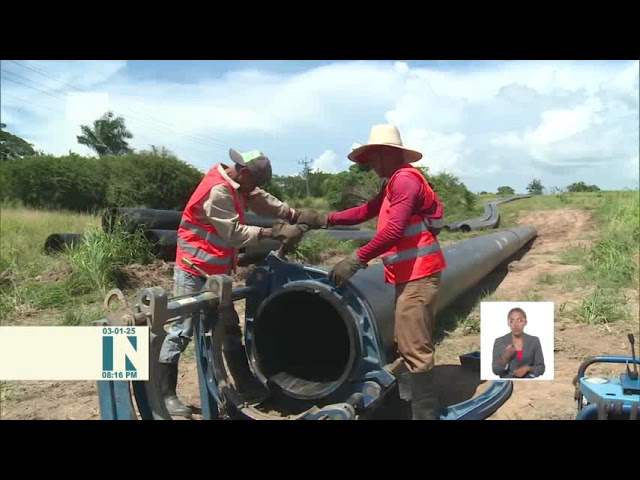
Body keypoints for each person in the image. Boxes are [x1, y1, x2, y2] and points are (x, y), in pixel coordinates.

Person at [296, 124, 447, 420]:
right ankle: (408, 407)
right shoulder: (393, 182)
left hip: (419, 273)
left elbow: (393, 230)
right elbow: (365, 211)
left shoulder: (405, 181)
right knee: (405, 342)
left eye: (373, 158)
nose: (370, 165)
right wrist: (324, 218)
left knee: (415, 348)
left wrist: (356, 260)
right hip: (409, 274)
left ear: (388, 154)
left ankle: (424, 414)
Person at [159, 148, 306, 417]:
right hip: (194, 267)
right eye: (256, 181)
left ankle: (245, 382)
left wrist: (294, 215)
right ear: (244, 171)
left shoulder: (239, 183)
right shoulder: (219, 191)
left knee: (229, 326)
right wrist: (272, 231)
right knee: (183, 328)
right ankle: (165, 394)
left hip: (218, 271)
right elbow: (234, 233)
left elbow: (261, 200)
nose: (257, 188)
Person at [491, 307, 545, 379]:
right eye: (512, 321)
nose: (516, 325)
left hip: (528, 383)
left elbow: (541, 368)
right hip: (507, 382)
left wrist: (527, 368)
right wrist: (506, 356)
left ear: (525, 322)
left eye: (520, 320)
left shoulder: (534, 341)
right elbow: (495, 370)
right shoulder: (500, 341)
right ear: (508, 323)